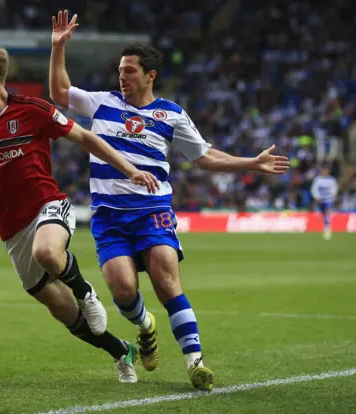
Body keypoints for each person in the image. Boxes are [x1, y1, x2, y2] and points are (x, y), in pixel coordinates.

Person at [48, 10, 291, 391]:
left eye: (129, 70)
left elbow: (205, 156)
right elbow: (60, 93)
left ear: (150, 75)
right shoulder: (101, 103)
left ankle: (195, 362)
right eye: (120, 70)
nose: (122, 76)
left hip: (152, 210)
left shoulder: (171, 115)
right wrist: (58, 47)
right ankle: (146, 327)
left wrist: (253, 163)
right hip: (110, 217)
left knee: (165, 275)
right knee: (124, 290)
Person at [0, 44, 160, 383]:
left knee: (48, 252)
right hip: (12, 231)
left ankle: (86, 293)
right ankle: (120, 350)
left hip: (49, 207)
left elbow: (85, 137)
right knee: (63, 312)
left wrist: (129, 169)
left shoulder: (32, 109)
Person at [311, 165, 338, 240]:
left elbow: (334, 190)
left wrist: (331, 197)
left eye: (326, 170)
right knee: (320, 214)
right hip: (320, 200)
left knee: (327, 214)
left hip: (328, 200)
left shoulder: (332, 180)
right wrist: (317, 197)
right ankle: (319, 228)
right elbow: (314, 189)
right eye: (323, 170)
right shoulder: (318, 179)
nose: (325, 172)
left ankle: (327, 229)